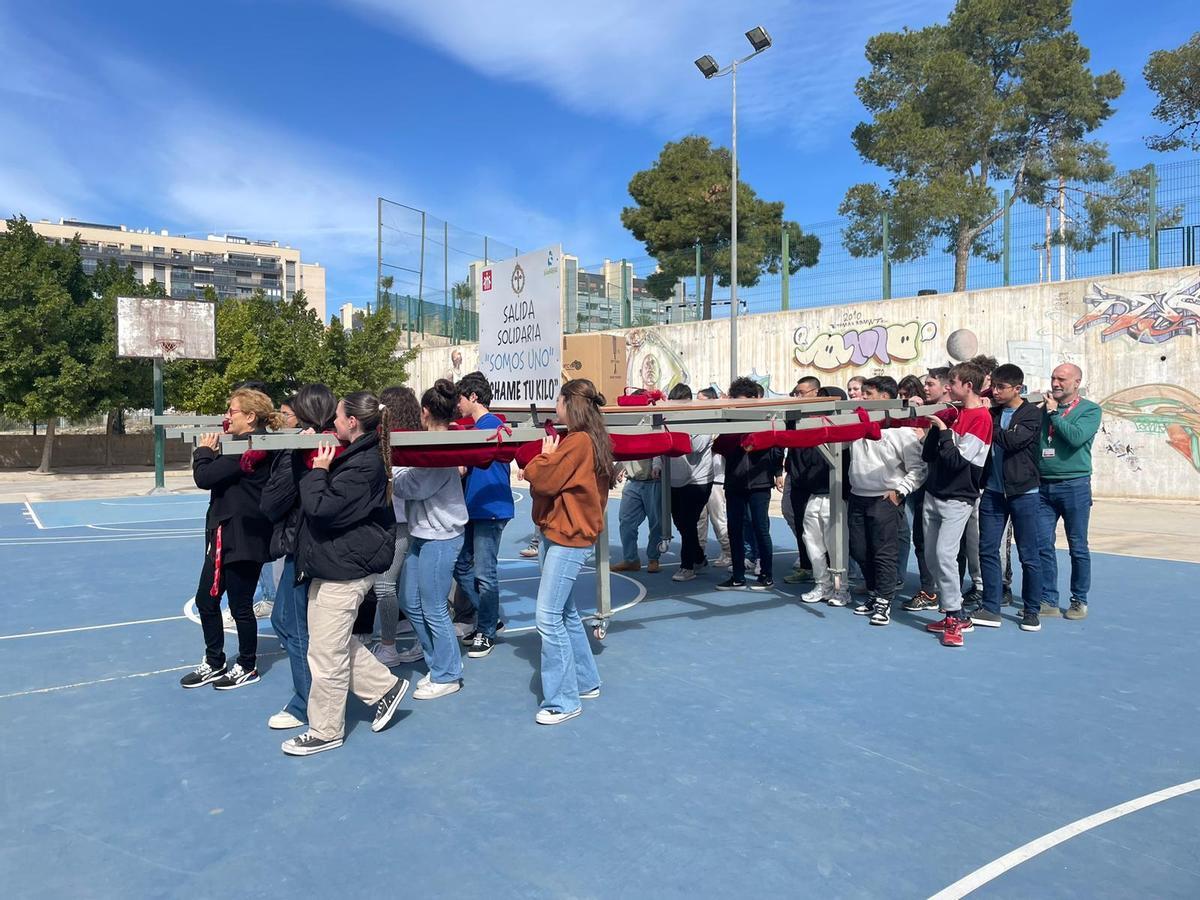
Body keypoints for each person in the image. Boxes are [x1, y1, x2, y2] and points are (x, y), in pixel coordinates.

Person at [282, 391, 407, 756]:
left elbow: (322, 509)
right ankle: (384, 687)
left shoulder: (363, 465)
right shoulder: (355, 454)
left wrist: (317, 470)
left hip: (346, 568)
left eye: (337, 417)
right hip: (334, 562)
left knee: (326, 654)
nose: (332, 423)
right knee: (329, 644)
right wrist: (309, 460)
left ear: (352, 422)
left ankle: (326, 729)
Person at [524, 379, 612, 725]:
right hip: (564, 533)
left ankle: (563, 700)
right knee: (565, 612)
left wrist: (543, 457)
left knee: (547, 617)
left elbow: (542, 477)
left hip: (567, 536)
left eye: (558, 401)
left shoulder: (576, 442)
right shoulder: (592, 439)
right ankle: (586, 680)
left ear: (568, 403)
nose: (554, 407)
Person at [181, 388, 280, 691]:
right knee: (206, 599)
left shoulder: (250, 448)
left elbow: (205, 478)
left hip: (244, 536)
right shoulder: (240, 445)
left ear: (250, 417)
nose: (227, 417)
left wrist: (203, 453)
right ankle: (214, 660)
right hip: (224, 533)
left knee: (240, 606)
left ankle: (247, 665)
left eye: (232, 411)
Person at [258, 384, 336, 729]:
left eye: (290, 413)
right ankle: (317, 694)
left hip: (306, 545)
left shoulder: (308, 450)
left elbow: (274, 501)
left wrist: (291, 455)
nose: (284, 419)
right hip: (304, 542)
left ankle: (307, 703)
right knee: (286, 622)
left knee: (296, 625)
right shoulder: (316, 446)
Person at [392, 380, 469, 698]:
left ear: (425, 411)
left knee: (434, 606)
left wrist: (392, 471)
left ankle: (448, 673)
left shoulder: (441, 447)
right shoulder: (429, 442)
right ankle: (437, 660)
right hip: (423, 533)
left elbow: (412, 486)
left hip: (441, 536)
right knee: (410, 600)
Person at [921, 362, 993, 648]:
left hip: (958, 498)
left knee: (944, 555)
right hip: (934, 493)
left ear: (969, 386)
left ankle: (955, 616)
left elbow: (957, 461)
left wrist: (943, 431)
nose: (948, 386)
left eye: (952, 382)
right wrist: (935, 428)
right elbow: (929, 457)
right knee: (931, 557)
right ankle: (952, 609)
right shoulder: (954, 412)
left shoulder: (981, 419)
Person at [971, 364, 1045, 633]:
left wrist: (987, 421)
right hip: (993, 492)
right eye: (993, 387)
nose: (995, 392)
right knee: (987, 549)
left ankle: (1032, 610)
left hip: (1024, 493)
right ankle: (991, 607)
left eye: (1001, 387)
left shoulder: (1031, 414)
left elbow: (1013, 442)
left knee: (1028, 554)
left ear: (1017, 388)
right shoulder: (993, 411)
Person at [847, 377, 926, 626]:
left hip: (884, 500)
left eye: (868, 393)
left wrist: (900, 492)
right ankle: (873, 593)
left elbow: (919, 469)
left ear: (884, 397)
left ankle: (884, 600)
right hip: (858, 496)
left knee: (884, 553)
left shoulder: (902, 432)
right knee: (859, 550)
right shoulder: (856, 426)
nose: (862, 397)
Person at [453, 372, 515, 658]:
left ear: (473, 397)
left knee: (484, 572)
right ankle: (490, 617)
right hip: (477, 507)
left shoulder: (490, 427)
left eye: (460, 398)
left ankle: (487, 630)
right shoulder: (480, 428)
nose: (458, 405)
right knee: (461, 565)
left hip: (490, 508)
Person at [1037, 363, 1102, 620]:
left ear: (1077, 383)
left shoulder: (1090, 410)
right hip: (1043, 486)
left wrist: (1054, 414)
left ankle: (1079, 600)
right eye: (1053, 378)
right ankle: (1048, 599)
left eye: (1062, 379)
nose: (1055, 383)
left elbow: (1076, 438)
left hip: (1075, 485)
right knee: (1042, 544)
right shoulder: (1042, 409)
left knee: (1078, 545)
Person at [370, 385, 423, 667]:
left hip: (401, 522)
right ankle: (405, 630)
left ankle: (389, 647)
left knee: (384, 585)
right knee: (403, 587)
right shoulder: (397, 439)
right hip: (402, 520)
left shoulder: (399, 442)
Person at [716, 377, 783, 591]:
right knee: (735, 529)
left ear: (755, 399)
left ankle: (766, 575)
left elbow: (777, 446)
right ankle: (737, 576)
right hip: (734, 482)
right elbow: (719, 446)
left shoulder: (767, 420)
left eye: (744, 401)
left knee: (760, 528)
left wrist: (776, 472)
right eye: (736, 401)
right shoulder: (729, 422)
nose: (740, 406)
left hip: (759, 483)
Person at [797, 386, 851, 606]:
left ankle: (841, 588)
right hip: (815, 493)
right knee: (811, 540)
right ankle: (822, 584)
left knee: (837, 544)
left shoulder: (844, 429)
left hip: (835, 494)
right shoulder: (812, 427)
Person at [904, 368, 950, 611]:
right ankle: (930, 590)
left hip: (950, 488)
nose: (926, 388)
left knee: (952, 546)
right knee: (922, 540)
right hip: (926, 485)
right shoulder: (925, 410)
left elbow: (945, 451)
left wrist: (925, 437)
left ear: (946, 386)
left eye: (930, 383)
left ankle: (945, 593)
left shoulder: (954, 413)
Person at [666, 383, 714, 582]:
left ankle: (687, 566)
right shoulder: (666, 420)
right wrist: (657, 464)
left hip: (698, 480)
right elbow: (660, 444)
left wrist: (679, 429)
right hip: (674, 479)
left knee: (688, 521)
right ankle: (699, 557)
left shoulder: (702, 420)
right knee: (680, 522)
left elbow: (695, 446)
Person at [612, 389, 663, 575]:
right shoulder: (627, 423)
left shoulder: (653, 421)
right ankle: (631, 559)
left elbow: (659, 445)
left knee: (656, 523)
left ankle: (653, 558)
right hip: (633, 481)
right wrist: (617, 468)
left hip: (652, 481)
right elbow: (624, 449)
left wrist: (657, 464)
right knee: (626, 520)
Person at [696, 386, 732, 567]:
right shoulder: (697, 422)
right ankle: (698, 553)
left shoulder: (719, 423)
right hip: (699, 478)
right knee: (699, 520)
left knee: (719, 519)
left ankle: (728, 551)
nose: (697, 404)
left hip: (717, 478)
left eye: (701, 400)